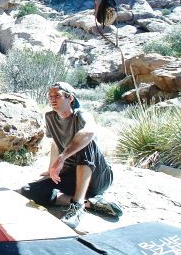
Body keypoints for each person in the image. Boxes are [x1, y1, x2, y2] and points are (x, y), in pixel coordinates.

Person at [19, 82, 123, 229]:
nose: (52, 99)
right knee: (28, 190)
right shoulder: (50, 117)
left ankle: (77, 207)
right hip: (74, 176)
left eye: (57, 96)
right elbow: (55, 143)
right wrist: (51, 169)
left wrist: (62, 158)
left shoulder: (82, 115)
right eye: (50, 96)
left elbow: (89, 132)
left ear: (70, 99)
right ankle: (91, 203)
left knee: (83, 141)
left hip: (98, 177)